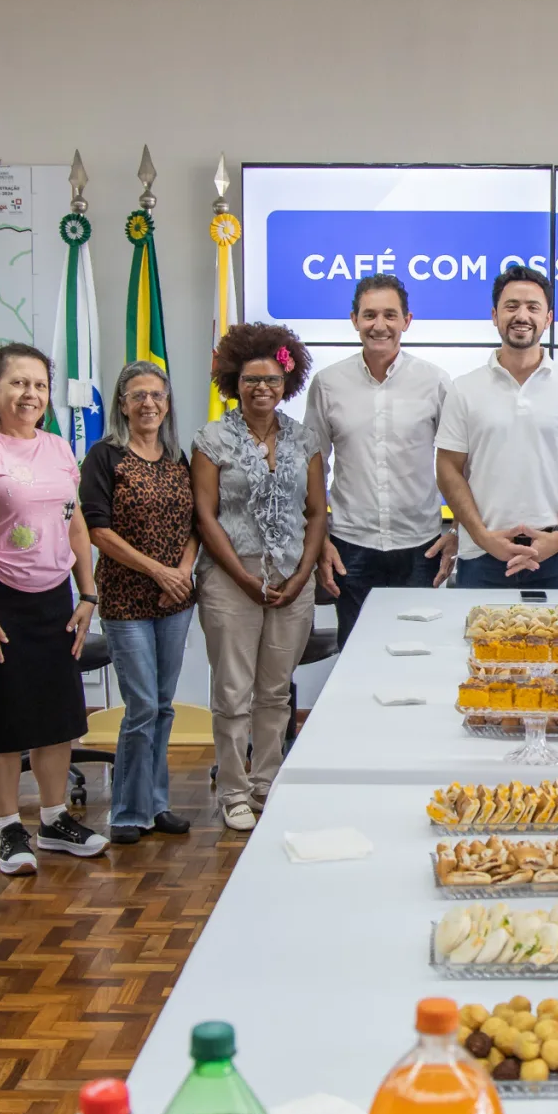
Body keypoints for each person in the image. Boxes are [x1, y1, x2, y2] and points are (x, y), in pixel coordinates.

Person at [0, 344, 105, 877]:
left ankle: (54, 819)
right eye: (18, 383)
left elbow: (75, 524)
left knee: (56, 716)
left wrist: (87, 594)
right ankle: (7, 827)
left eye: (39, 385)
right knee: (0, 716)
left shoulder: (57, 447)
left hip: (54, 599)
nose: (31, 394)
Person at [194, 322, 328, 831]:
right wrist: (244, 578)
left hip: (292, 579)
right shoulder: (212, 439)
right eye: (251, 379)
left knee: (275, 692)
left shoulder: (304, 439)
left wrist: (302, 575)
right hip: (231, 579)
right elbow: (205, 516)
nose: (262, 388)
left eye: (271, 379)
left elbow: (316, 512)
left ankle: (265, 782)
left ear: (286, 382)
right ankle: (232, 790)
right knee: (232, 692)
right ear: (234, 381)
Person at [83, 362, 198, 846]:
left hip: (176, 599)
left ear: (167, 404)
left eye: (156, 395)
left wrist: (183, 573)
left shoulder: (176, 457)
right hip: (126, 600)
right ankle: (128, 811)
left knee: (163, 706)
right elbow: (98, 530)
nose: (148, 403)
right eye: (137, 395)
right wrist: (157, 571)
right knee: (142, 706)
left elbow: (195, 524)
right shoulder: (104, 456)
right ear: (123, 404)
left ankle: (156, 802)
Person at [436, 265, 558, 590]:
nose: (521, 316)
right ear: (494, 315)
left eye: (532, 307)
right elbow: (447, 469)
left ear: (548, 318)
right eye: (511, 306)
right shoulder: (464, 389)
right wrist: (483, 537)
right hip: (482, 555)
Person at [306, 272, 453, 642]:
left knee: (419, 651)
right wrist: (319, 539)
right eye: (369, 315)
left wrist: (459, 533)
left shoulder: (435, 381)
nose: (380, 325)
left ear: (407, 320)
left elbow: (461, 465)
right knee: (355, 653)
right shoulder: (327, 383)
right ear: (354, 319)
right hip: (350, 546)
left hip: (420, 546)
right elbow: (313, 467)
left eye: (390, 315)